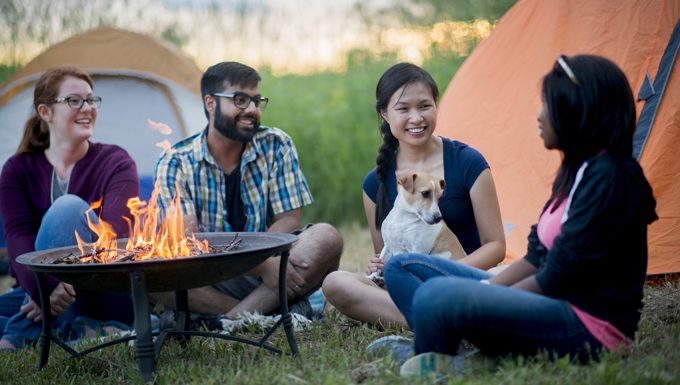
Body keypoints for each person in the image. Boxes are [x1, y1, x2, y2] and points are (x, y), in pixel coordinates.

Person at [383, 54, 658, 377]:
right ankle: (462, 345)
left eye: (547, 105)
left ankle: (434, 351)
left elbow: (557, 275)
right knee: (400, 267)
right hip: (547, 300)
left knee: (436, 295)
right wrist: (485, 293)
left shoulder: (610, 179)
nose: (539, 116)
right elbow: (536, 256)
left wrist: (482, 298)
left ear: (579, 110)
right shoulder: (577, 170)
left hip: (587, 326)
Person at [153, 61, 343, 320]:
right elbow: (188, 240)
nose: (252, 110)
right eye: (240, 100)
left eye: (256, 101)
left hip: (272, 270)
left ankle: (228, 322)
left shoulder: (276, 144)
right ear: (210, 103)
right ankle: (265, 314)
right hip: (210, 275)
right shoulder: (175, 162)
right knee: (153, 277)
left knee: (326, 238)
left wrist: (266, 263)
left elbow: (289, 219)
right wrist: (259, 265)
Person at [321, 63, 505, 328]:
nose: (416, 118)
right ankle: (439, 317)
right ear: (384, 113)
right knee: (337, 282)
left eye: (424, 106)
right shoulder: (375, 183)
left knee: (505, 275)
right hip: (410, 286)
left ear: (436, 105)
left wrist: (448, 274)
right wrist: (377, 267)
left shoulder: (468, 162)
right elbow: (391, 253)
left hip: (466, 277)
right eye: (403, 109)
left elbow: (496, 246)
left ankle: (429, 314)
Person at [0, 66, 139, 350]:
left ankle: (18, 335)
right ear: (45, 112)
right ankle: (84, 331)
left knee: (68, 209)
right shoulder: (17, 169)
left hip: (103, 289)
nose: (87, 107)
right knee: (17, 303)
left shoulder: (116, 162)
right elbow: (18, 241)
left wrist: (49, 290)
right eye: (74, 100)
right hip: (36, 289)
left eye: (91, 99)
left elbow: (115, 237)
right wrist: (45, 290)